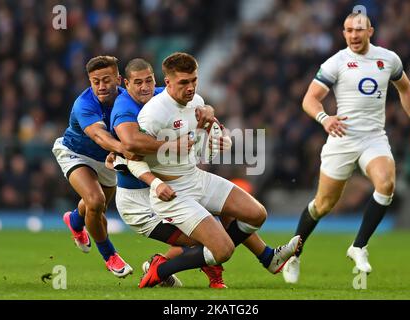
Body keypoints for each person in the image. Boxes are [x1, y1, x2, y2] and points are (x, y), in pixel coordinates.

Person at [109, 58, 302, 288]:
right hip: (172, 192)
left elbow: (209, 142)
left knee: (257, 214)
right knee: (221, 250)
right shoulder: (152, 113)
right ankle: (161, 269)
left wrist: (221, 141)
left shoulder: (197, 101)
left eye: (193, 81)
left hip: (195, 177)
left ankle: (260, 257)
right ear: (168, 82)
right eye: (183, 82)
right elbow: (132, 157)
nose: (190, 87)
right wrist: (156, 183)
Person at [282, 12, 410, 284]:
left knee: (386, 184)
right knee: (323, 205)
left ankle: (358, 246)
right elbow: (310, 98)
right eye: (348, 30)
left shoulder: (389, 59)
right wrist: (325, 118)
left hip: (373, 138)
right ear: (343, 33)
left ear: (370, 30)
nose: (353, 35)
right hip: (342, 138)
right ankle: (294, 254)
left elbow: (406, 89)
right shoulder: (336, 62)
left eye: (358, 30)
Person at [52, 56, 137, 278]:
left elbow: (162, 96)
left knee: (96, 209)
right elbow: (99, 137)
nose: (100, 86)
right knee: (95, 201)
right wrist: (125, 149)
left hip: (106, 160)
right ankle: (110, 256)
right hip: (75, 153)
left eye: (106, 80)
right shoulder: (84, 104)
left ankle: (74, 220)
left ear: (118, 79)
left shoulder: (129, 98)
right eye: (95, 81)